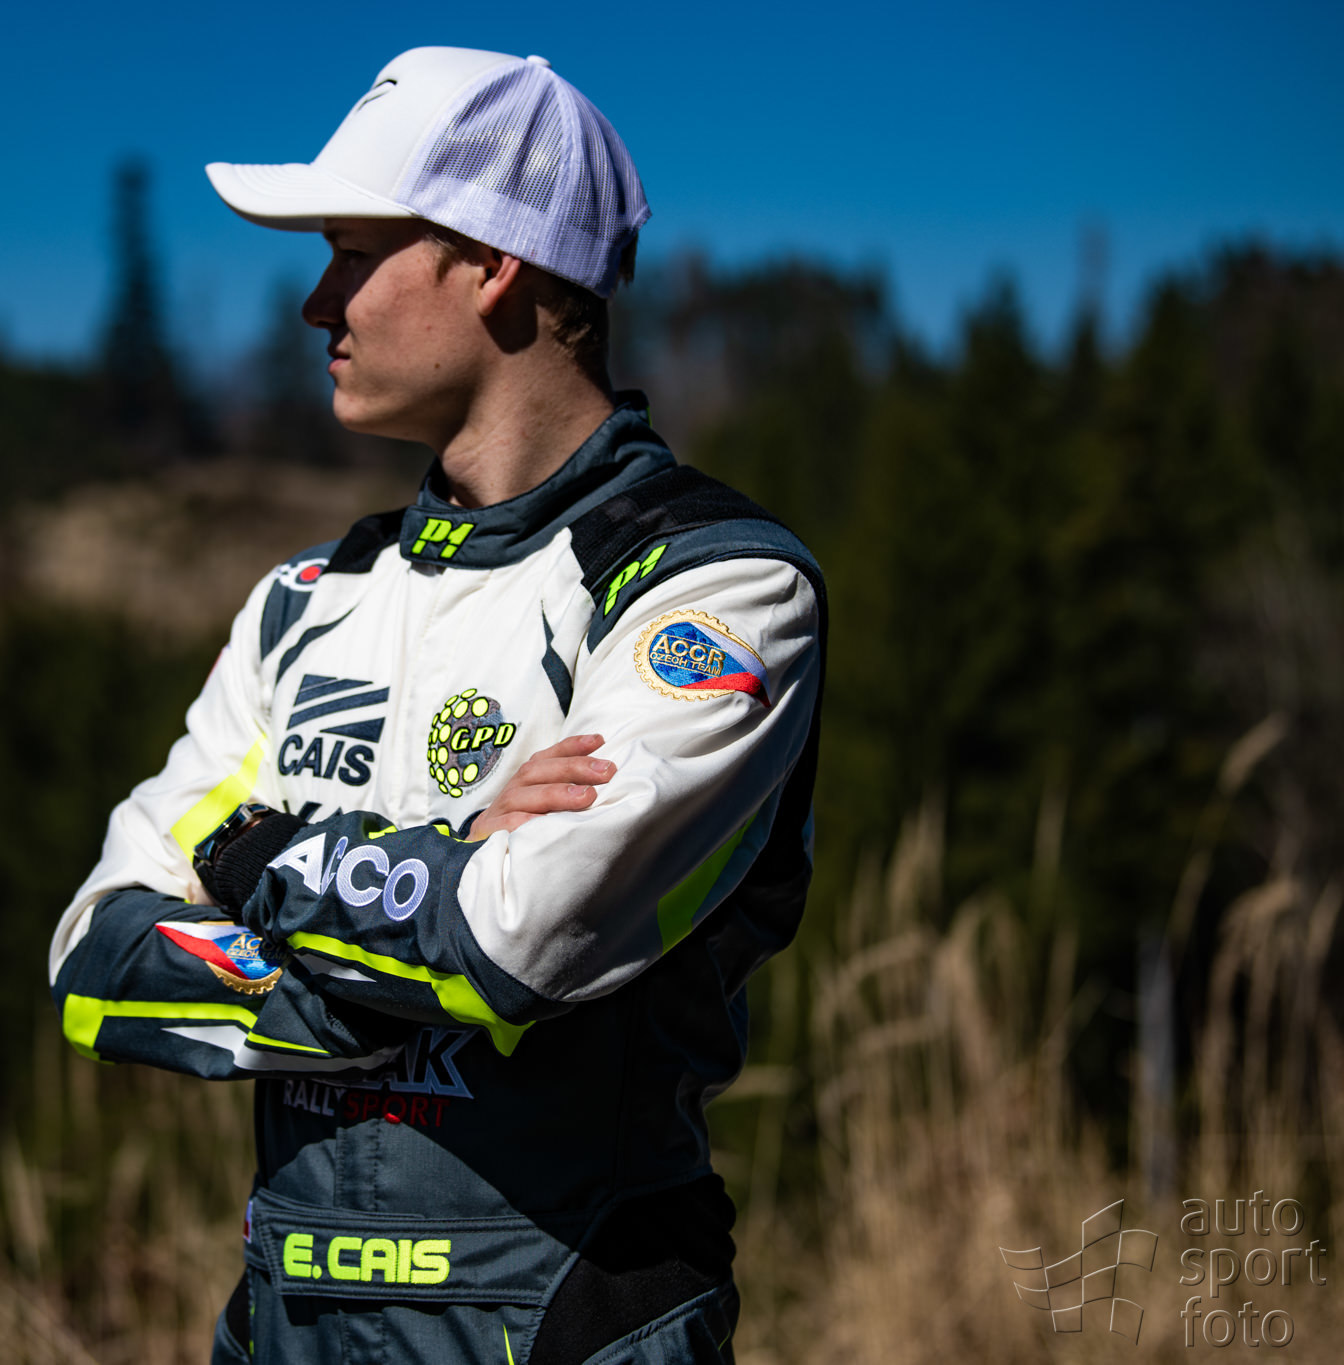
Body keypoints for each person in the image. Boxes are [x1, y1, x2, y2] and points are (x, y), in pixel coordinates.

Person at [48, 46, 825, 1364]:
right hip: (283, 1318)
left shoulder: (716, 583)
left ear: (494, 265)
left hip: (570, 1317)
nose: (317, 302)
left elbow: (522, 940)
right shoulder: (304, 600)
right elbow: (92, 957)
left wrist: (249, 857)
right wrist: (441, 882)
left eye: (354, 253)